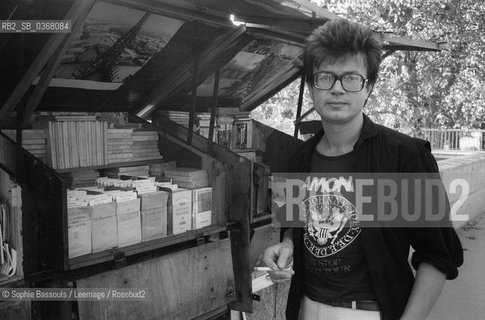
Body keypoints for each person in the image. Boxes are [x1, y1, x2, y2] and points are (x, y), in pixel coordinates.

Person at [262, 19, 463, 320]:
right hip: (305, 308)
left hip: (371, 313)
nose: (337, 89)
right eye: (325, 77)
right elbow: (293, 225)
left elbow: (438, 254)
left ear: (368, 87)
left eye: (351, 78)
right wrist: (286, 247)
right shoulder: (296, 159)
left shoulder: (404, 157)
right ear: (310, 85)